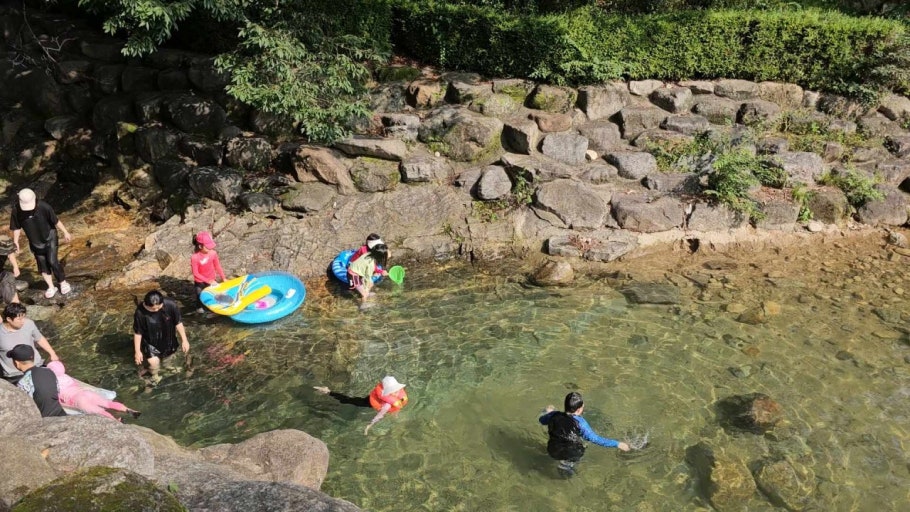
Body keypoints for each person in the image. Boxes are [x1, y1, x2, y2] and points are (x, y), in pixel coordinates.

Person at [538, 392, 630, 477]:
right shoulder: (581, 423)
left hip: (552, 450)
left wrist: (548, 412)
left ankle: (563, 463)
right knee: (580, 447)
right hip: (572, 455)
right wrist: (617, 444)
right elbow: (596, 439)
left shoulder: (554, 415)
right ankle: (566, 465)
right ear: (579, 410)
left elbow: (541, 420)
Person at [9, 188, 73, 298]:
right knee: (42, 265)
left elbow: (55, 220)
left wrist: (65, 232)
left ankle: (63, 282)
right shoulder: (16, 210)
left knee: (52, 261)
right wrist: (16, 242)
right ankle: (51, 286)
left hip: (50, 237)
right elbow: (16, 227)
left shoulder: (44, 206)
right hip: (35, 241)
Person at [46, 361, 140, 421]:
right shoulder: (67, 377)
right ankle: (128, 410)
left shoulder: (52, 383)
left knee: (100, 412)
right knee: (108, 403)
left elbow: (57, 399)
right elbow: (77, 385)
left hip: (78, 400)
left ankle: (116, 421)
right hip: (86, 393)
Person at [314, 375, 408, 435]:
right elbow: (379, 415)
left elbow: (397, 405)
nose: (396, 392)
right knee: (349, 401)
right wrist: (369, 425)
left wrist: (396, 411)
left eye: (396, 389)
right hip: (371, 402)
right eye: (393, 390)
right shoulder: (387, 404)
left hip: (377, 399)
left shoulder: (398, 394)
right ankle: (328, 391)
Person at [133, 290, 189, 385]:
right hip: (150, 340)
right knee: (153, 362)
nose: (156, 310)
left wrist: (184, 340)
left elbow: (178, 323)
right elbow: (138, 333)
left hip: (168, 337)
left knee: (169, 357)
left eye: (158, 307)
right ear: (146, 305)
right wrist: (137, 351)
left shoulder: (171, 305)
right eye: (152, 309)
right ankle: (155, 375)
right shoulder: (140, 312)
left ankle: (168, 367)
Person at [0, 303, 59, 384]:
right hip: (14, 374)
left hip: (36, 365)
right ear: (9, 319)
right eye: (19, 319)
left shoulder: (29, 324)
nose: (23, 321)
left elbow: (39, 338)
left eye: (24, 317)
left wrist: (52, 353)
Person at [7, 344, 66, 417]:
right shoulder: (49, 371)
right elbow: (57, 391)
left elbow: (24, 407)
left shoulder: (24, 382)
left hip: (44, 419)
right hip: (61, 413)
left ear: (17, 363)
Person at [191, 231, 226, 314]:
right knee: (200, 295)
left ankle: (212, 308)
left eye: (211, 246)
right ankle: (199, 308)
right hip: (200, 282)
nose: (210, 249)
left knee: (213, 295)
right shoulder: (195, 257)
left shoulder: (213, 253)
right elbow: (196, 273)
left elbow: (217, 266)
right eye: (207, 247)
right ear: (200, 246)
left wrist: (223, 277)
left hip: (211, 278)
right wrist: (208, 281)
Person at [0, 236, 22, 305]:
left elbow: (10, 253)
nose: (6, 253)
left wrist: (15, 267)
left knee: (9, 276)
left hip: (1, 272)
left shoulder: (5, 246)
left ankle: (15, 305)